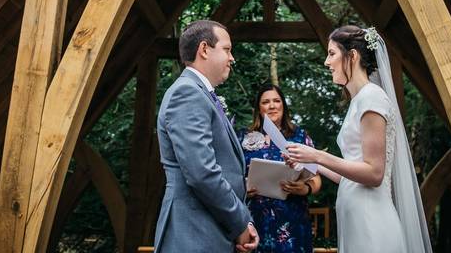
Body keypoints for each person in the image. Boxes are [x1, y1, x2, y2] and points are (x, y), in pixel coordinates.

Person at [283, 26, 432, 253]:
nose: (326, 61)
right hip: (356, 220)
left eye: (332, 53)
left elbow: (373, 174)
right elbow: (351, 177)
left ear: (352, 56)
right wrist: (311, 163)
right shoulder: (359, 101)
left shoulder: (372, 98)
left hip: (371, 222)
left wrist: (318, 154)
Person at [154, 20, 259, 252]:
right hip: (193, 233)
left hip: (210, 230)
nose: (232, 58)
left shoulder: (200, 94)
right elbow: (202, 173)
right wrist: (240, 223)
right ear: (204, 49)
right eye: (227, 49)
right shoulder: (187, 93)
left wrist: (243, 220)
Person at [237, 84, 322, 253]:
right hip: (255, 220)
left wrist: (305, 188)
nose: (272, 106)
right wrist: (242, 187)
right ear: (258, 108)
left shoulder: (300, 137)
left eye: (276, 101)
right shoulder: (243, 138)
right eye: (265, 102)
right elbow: (231, 176)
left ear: (283, 105)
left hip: (293, 219)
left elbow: (317, 178)